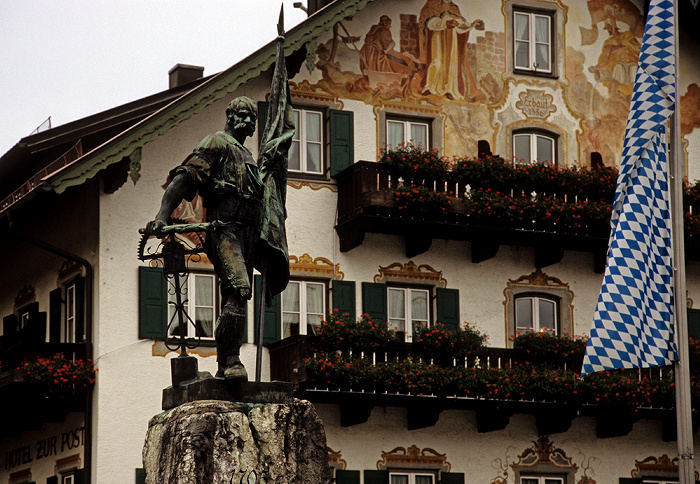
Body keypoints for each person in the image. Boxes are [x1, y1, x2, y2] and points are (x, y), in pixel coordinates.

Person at [146, 31, 294, 381]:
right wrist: (160, 216)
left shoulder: (247, 155)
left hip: (247, 231)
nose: (248, 124)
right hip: (223, 229)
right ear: (231, 117)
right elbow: (184, 180)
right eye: (243, 117)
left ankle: (231, 362)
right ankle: (229, 361)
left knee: (239, 292)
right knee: (240, 288)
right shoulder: (216, 143)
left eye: (252, 121)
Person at [418, 0, 484, 100]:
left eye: (448, 5)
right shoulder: (436, 17)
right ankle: (430, 87)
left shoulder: (454, 17)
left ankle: (448, 89)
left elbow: (461, 27)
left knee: (450, 67)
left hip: (451, 45)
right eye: (444, 5)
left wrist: (472, 25)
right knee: (436, 63)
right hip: (438, 44)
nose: (446, 7)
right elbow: (431, 24)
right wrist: (447, 23)